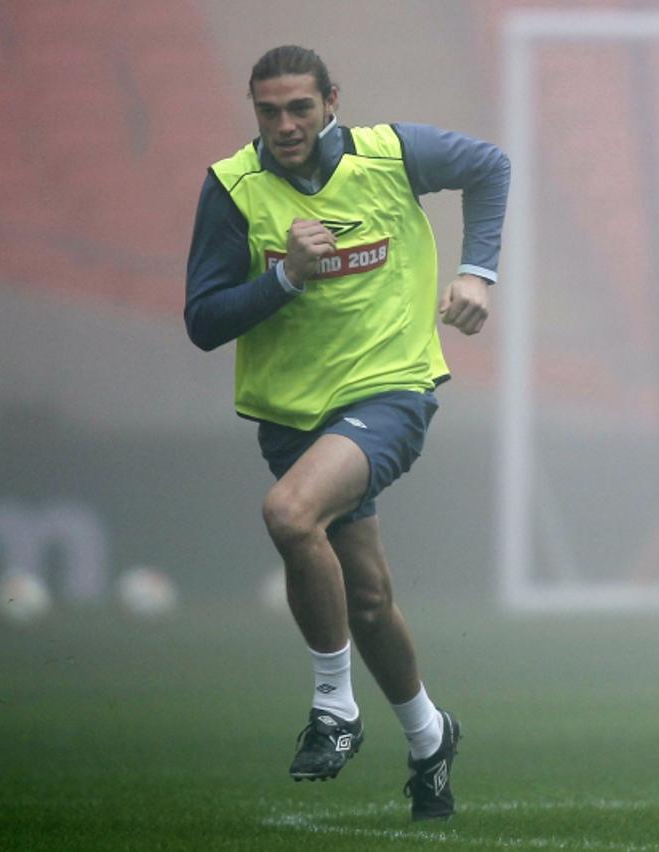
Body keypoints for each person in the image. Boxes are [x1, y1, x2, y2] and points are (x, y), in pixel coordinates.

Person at [185, 45, 509, 822]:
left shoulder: (391, 154)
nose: (287, 124)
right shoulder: (233, 189)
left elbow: (491, 166)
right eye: (270, 111)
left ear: (333, 100)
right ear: (254, 110)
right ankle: (432, 738)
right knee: (367, 600)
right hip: (292, 416)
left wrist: (479, 272)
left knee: (289, 515)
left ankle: (335, 710)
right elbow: (202, 321)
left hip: (391, 391)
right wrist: (286, 278)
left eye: (301, 106)